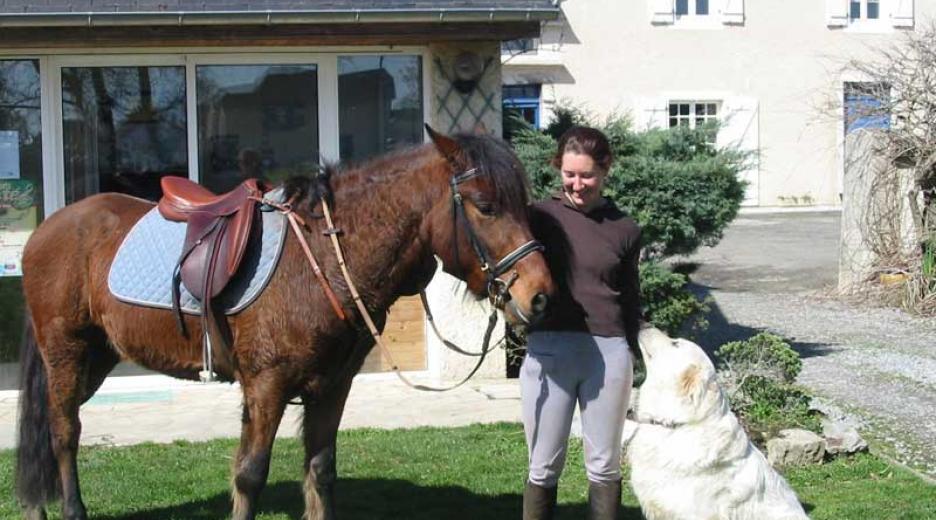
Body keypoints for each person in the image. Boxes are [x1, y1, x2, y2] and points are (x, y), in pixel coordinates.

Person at [522, 126, 641, 520]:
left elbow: (630, 296)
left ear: (605, 170)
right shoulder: (537, 219)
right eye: (569, 174)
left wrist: (635, 349)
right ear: (559, 169)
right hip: (549, 352)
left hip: (607, 355)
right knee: (542, 465)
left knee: (605, 465)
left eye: (586, 175)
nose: (577, 184)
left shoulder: (624, 228)